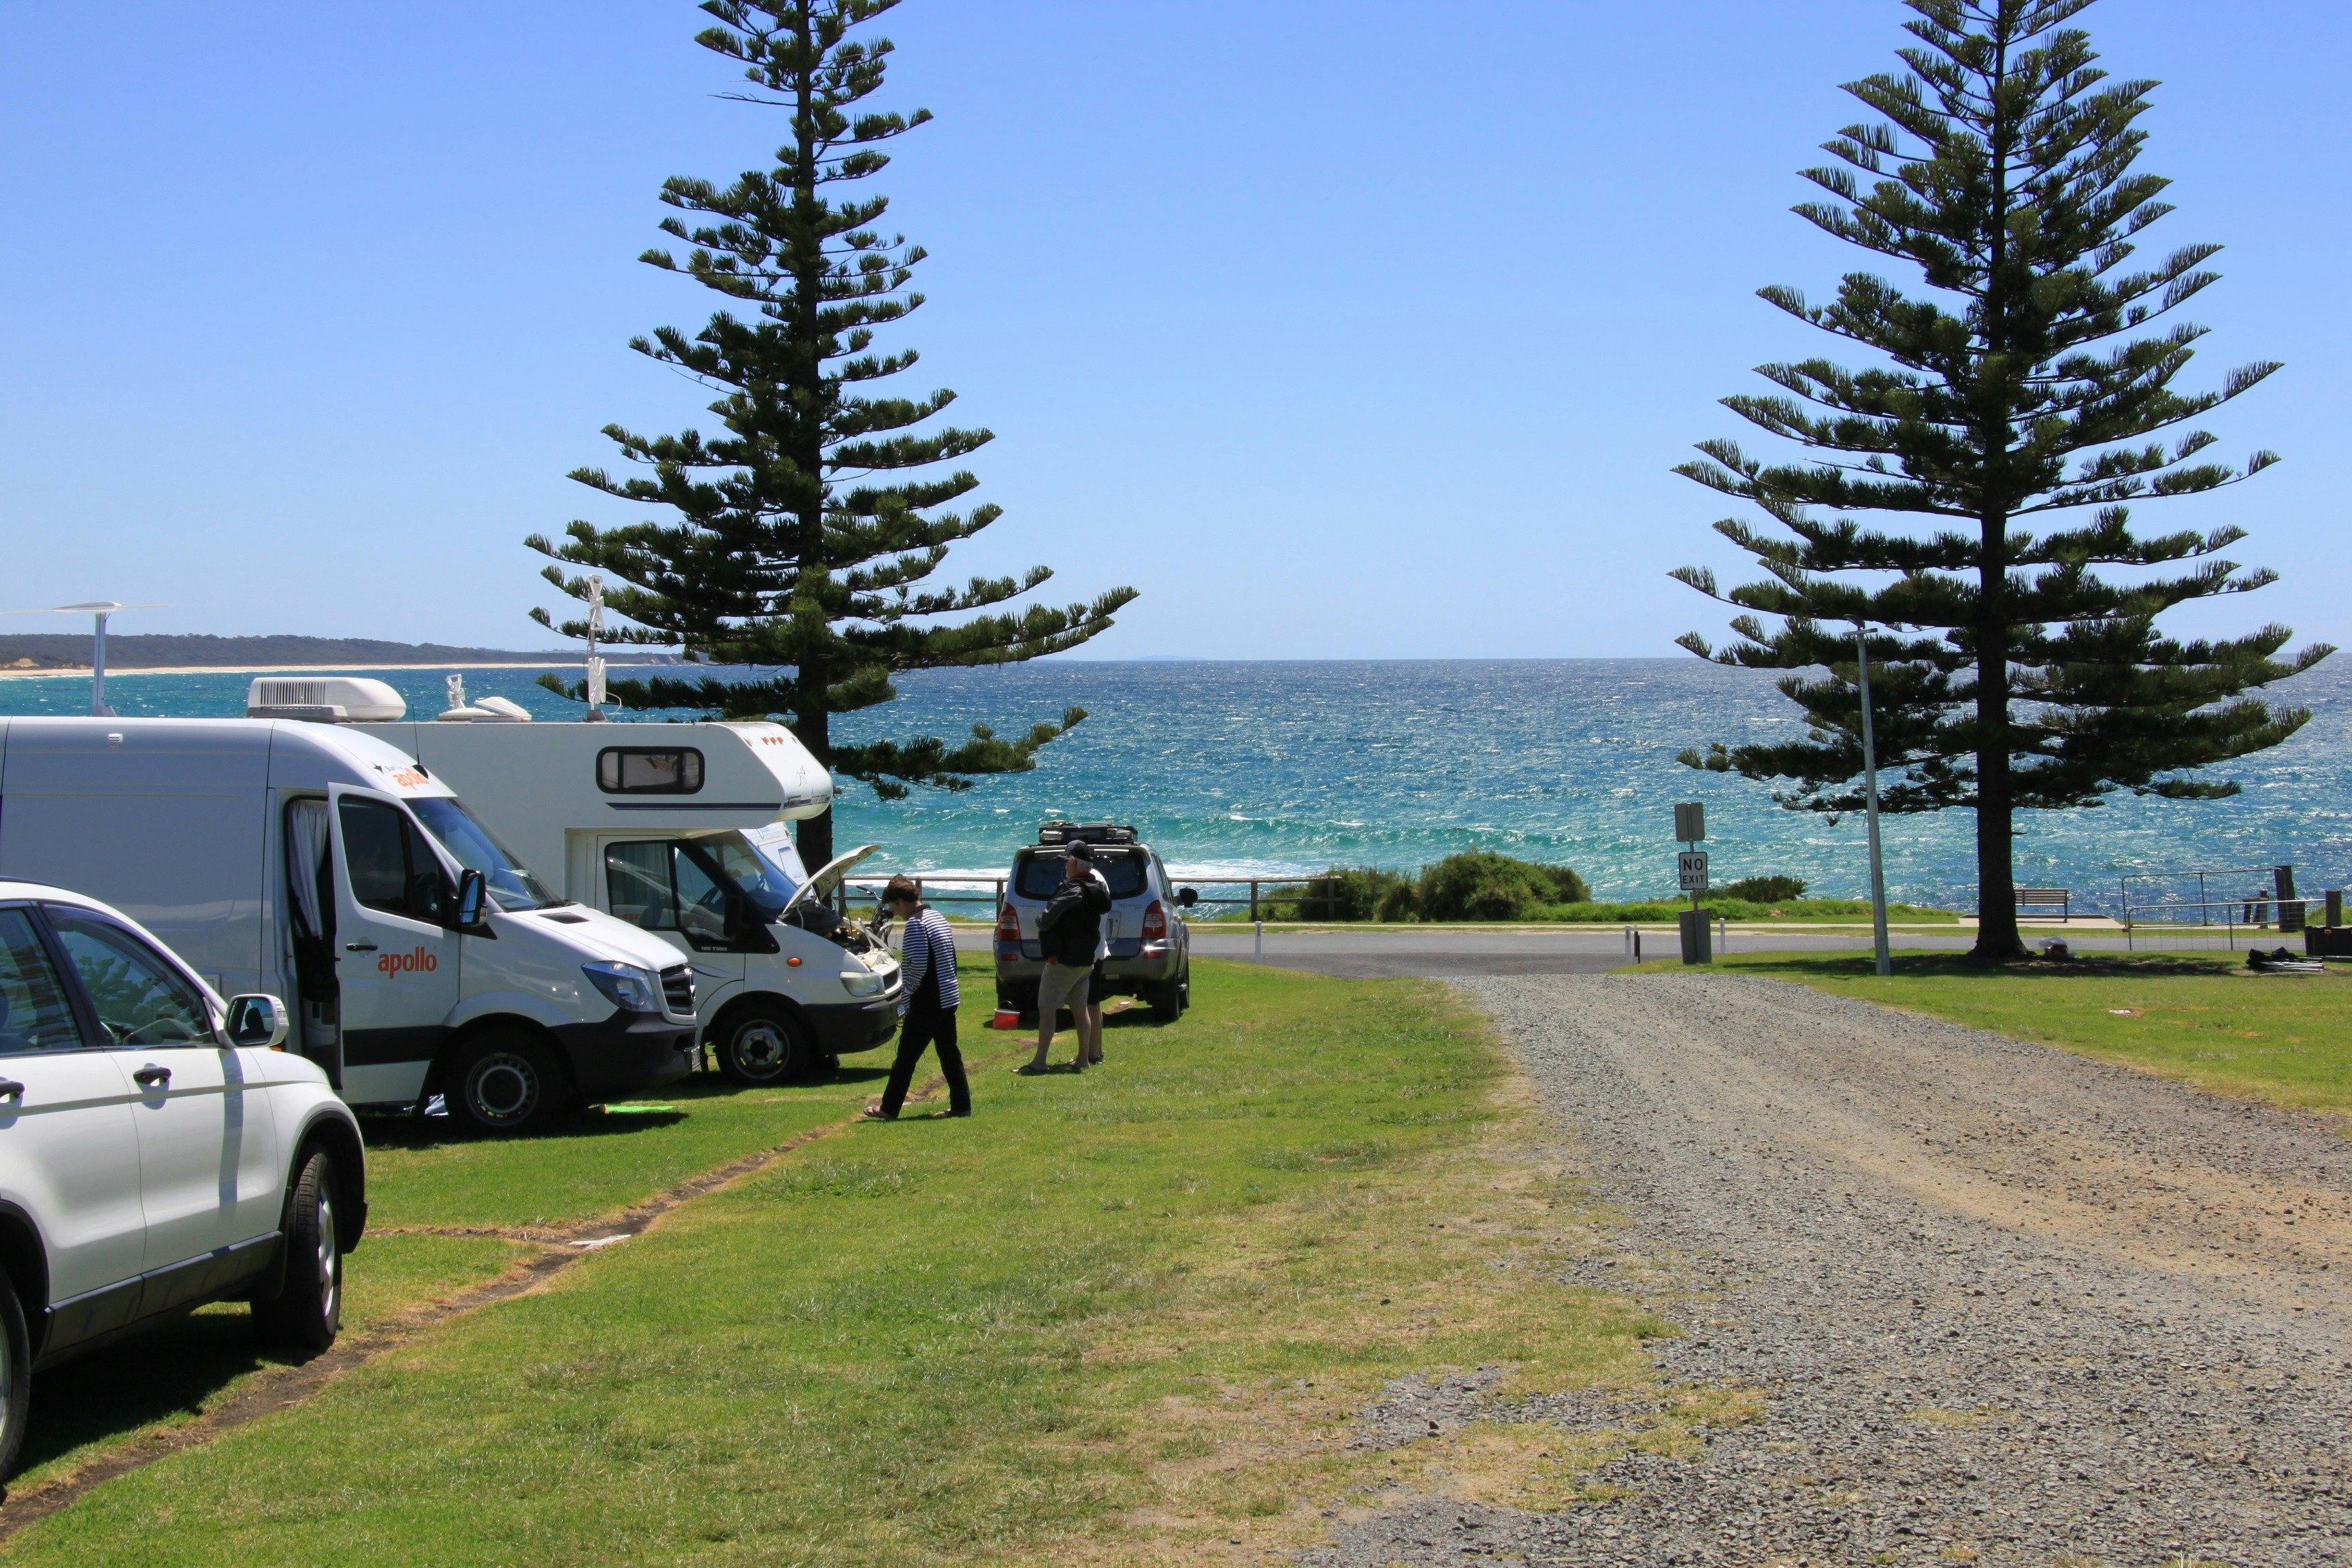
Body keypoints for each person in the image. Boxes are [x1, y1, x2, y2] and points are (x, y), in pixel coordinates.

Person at [864, 876, 970, 1120]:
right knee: (948, 1052)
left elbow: (917, 965)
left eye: (894, 906)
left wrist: (906, 995)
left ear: (902, 902)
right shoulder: (937, 918)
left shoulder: (915, 925)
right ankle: (962, 1105)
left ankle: (889, 1108)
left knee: (906, 1056)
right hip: (948, 996)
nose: (895, 912)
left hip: (929, 999)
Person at [1024, 842, 1111, 1074]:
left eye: (1067, 861)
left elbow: (1046, 919)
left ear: (1073, 863)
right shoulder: (1096, 889)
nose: (1065, 866)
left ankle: (1040, 1061)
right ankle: (1083, 1059)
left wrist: (1041, 920)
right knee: (1080, 1009)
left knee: (1047, 1008)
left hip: (1063, 960)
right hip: (1086, 959)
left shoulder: (1072, 890)